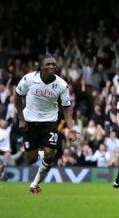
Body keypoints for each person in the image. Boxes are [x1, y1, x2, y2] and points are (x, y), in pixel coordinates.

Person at [15, 54, 77, 193]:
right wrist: (21, 118)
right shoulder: (29, 78)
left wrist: (71, 128)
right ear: (41, 65)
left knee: (50, 152)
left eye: (53, 64)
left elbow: (66, 107)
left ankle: (35, 183)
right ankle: (41, 154)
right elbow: (18, 95)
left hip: (49, 121)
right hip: (30, 122)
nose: (51, 66)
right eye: (48, 64)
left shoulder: (61, 84)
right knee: (31, 158)